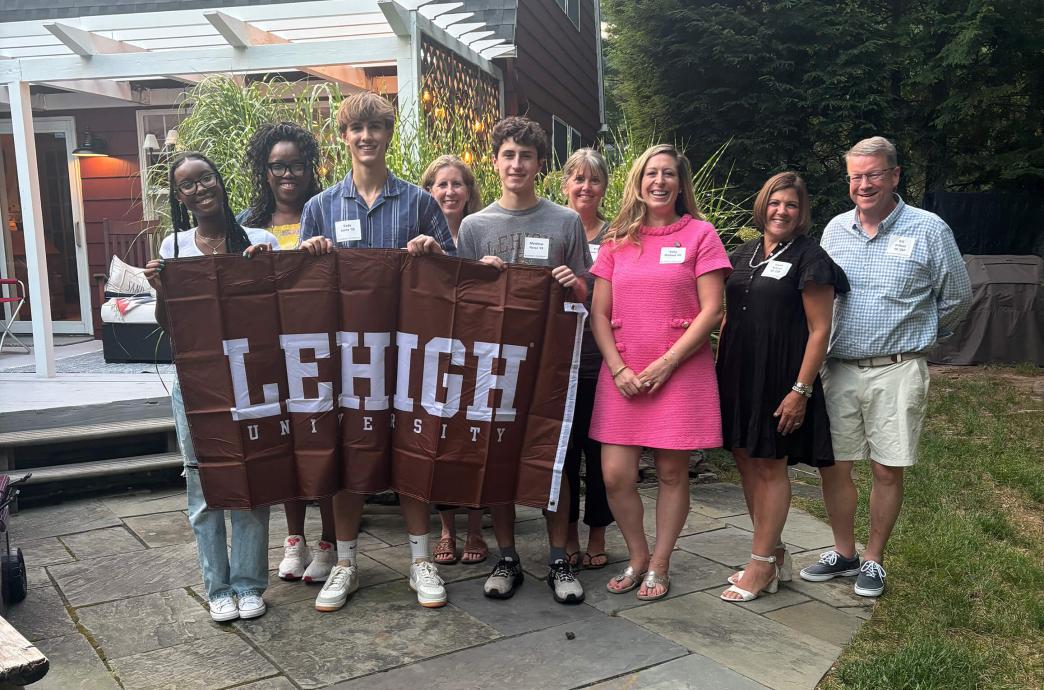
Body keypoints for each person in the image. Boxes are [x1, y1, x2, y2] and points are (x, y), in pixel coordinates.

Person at [296, 91, 455, 613]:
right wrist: (309, 254)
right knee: (348, 453)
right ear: (344, 137)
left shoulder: (419, 202)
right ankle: (344, 564)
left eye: (377, 128)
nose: (367, 137)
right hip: (346, 358)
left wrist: (433, 253)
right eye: (357, 129)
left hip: (406, 353)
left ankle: (419, 559)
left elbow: (453, 279)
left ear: (389, 135)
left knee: (410, 449)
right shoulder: (320, 207)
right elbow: (301, 289)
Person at [801, 136, 971, 597]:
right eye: (856, 176)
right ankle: (844, 551)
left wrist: (921, 339)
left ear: (895, 175)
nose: (864, 184)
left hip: (898, 368)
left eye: (873, 174)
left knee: (886, 467)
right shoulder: (835, 229)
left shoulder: (929, 229)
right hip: (838, 368)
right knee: (834, 465)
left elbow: (956, 297)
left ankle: (873, 558)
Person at [456, 116, 591, 604]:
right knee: (499, 461)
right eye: (508, 155)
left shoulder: (565, 222)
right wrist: (479, 277)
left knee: (555, 461)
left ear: (540, 164)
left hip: (552, 365)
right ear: (495, 162)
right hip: (496, 367)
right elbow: (461, 306)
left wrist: (570, 283)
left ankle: (558, 559)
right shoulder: (474, 227)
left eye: (526, 156)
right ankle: (508, 556)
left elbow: (590, 293)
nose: (517, 164)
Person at [144, 152, 280, 622]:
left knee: (251, 476)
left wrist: (266, 272)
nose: (199, 189)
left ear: (219, 181)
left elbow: (276, 316)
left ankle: (248, 584)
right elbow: (169, 325)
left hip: (248, 375)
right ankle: (216, 586)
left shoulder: (259, 239)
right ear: (179, 198)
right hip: (196, 380)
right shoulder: (173, 248)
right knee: (201, 480)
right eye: (187, 186)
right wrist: (162, 290)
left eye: (206, 179)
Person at [590, 144, 730, 601]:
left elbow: (712, 310)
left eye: (669, 174)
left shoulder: (700, 235)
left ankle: (661, 562)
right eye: (652, 173)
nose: (659, 182)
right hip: (624, 374)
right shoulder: (617, 238)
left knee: (672, 473)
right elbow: (598, 313)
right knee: (615, 475)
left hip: (680, 372)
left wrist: (668, 362)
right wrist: (617, 368)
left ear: (679, 183)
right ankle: (636, 554)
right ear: (639, 180)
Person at [715, 172, 849, 602]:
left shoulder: (811, 258)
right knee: (745, 459)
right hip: (737, 373)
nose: (781, 211)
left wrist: (801, 390)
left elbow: (820, 329)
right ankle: (770, 554)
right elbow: (726, 314)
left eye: (791, 204)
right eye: (775, 202)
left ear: (801, 211)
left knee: (770, 464)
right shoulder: (744, 253)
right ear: (763, 205)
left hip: (780, 377)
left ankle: (760, 565)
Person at [239, 121, 336, 584]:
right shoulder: (246, 226)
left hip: (325, 344)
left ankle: (330, 540)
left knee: (327, 441)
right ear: (265, 169)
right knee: (288, 443)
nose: (288, 174)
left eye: (296, 164)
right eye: (278, 166)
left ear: (308, 166)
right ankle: (294, 538)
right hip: (272, 349)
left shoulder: (327, 213)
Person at [419, 155, 489, 566]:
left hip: (478, 347)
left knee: (475, 436)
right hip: (435, 348)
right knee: (439, 439)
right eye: (441, 185)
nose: (449, 192)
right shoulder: (418, 232)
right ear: (429, 191)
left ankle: (477, 529)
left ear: (469, 190)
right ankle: (446, 529)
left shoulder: (480, 230)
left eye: (457, 184)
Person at [560, 148, 615, 569]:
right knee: (562, 455)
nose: (585, 187)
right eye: (578, 179)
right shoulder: (555, 228)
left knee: (598, 456)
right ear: (565, 185)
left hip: (601, 362)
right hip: (558, 361)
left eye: (594, 180)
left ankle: (597, 534)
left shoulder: (616, 236)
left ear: (604, 187)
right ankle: (565, 537)